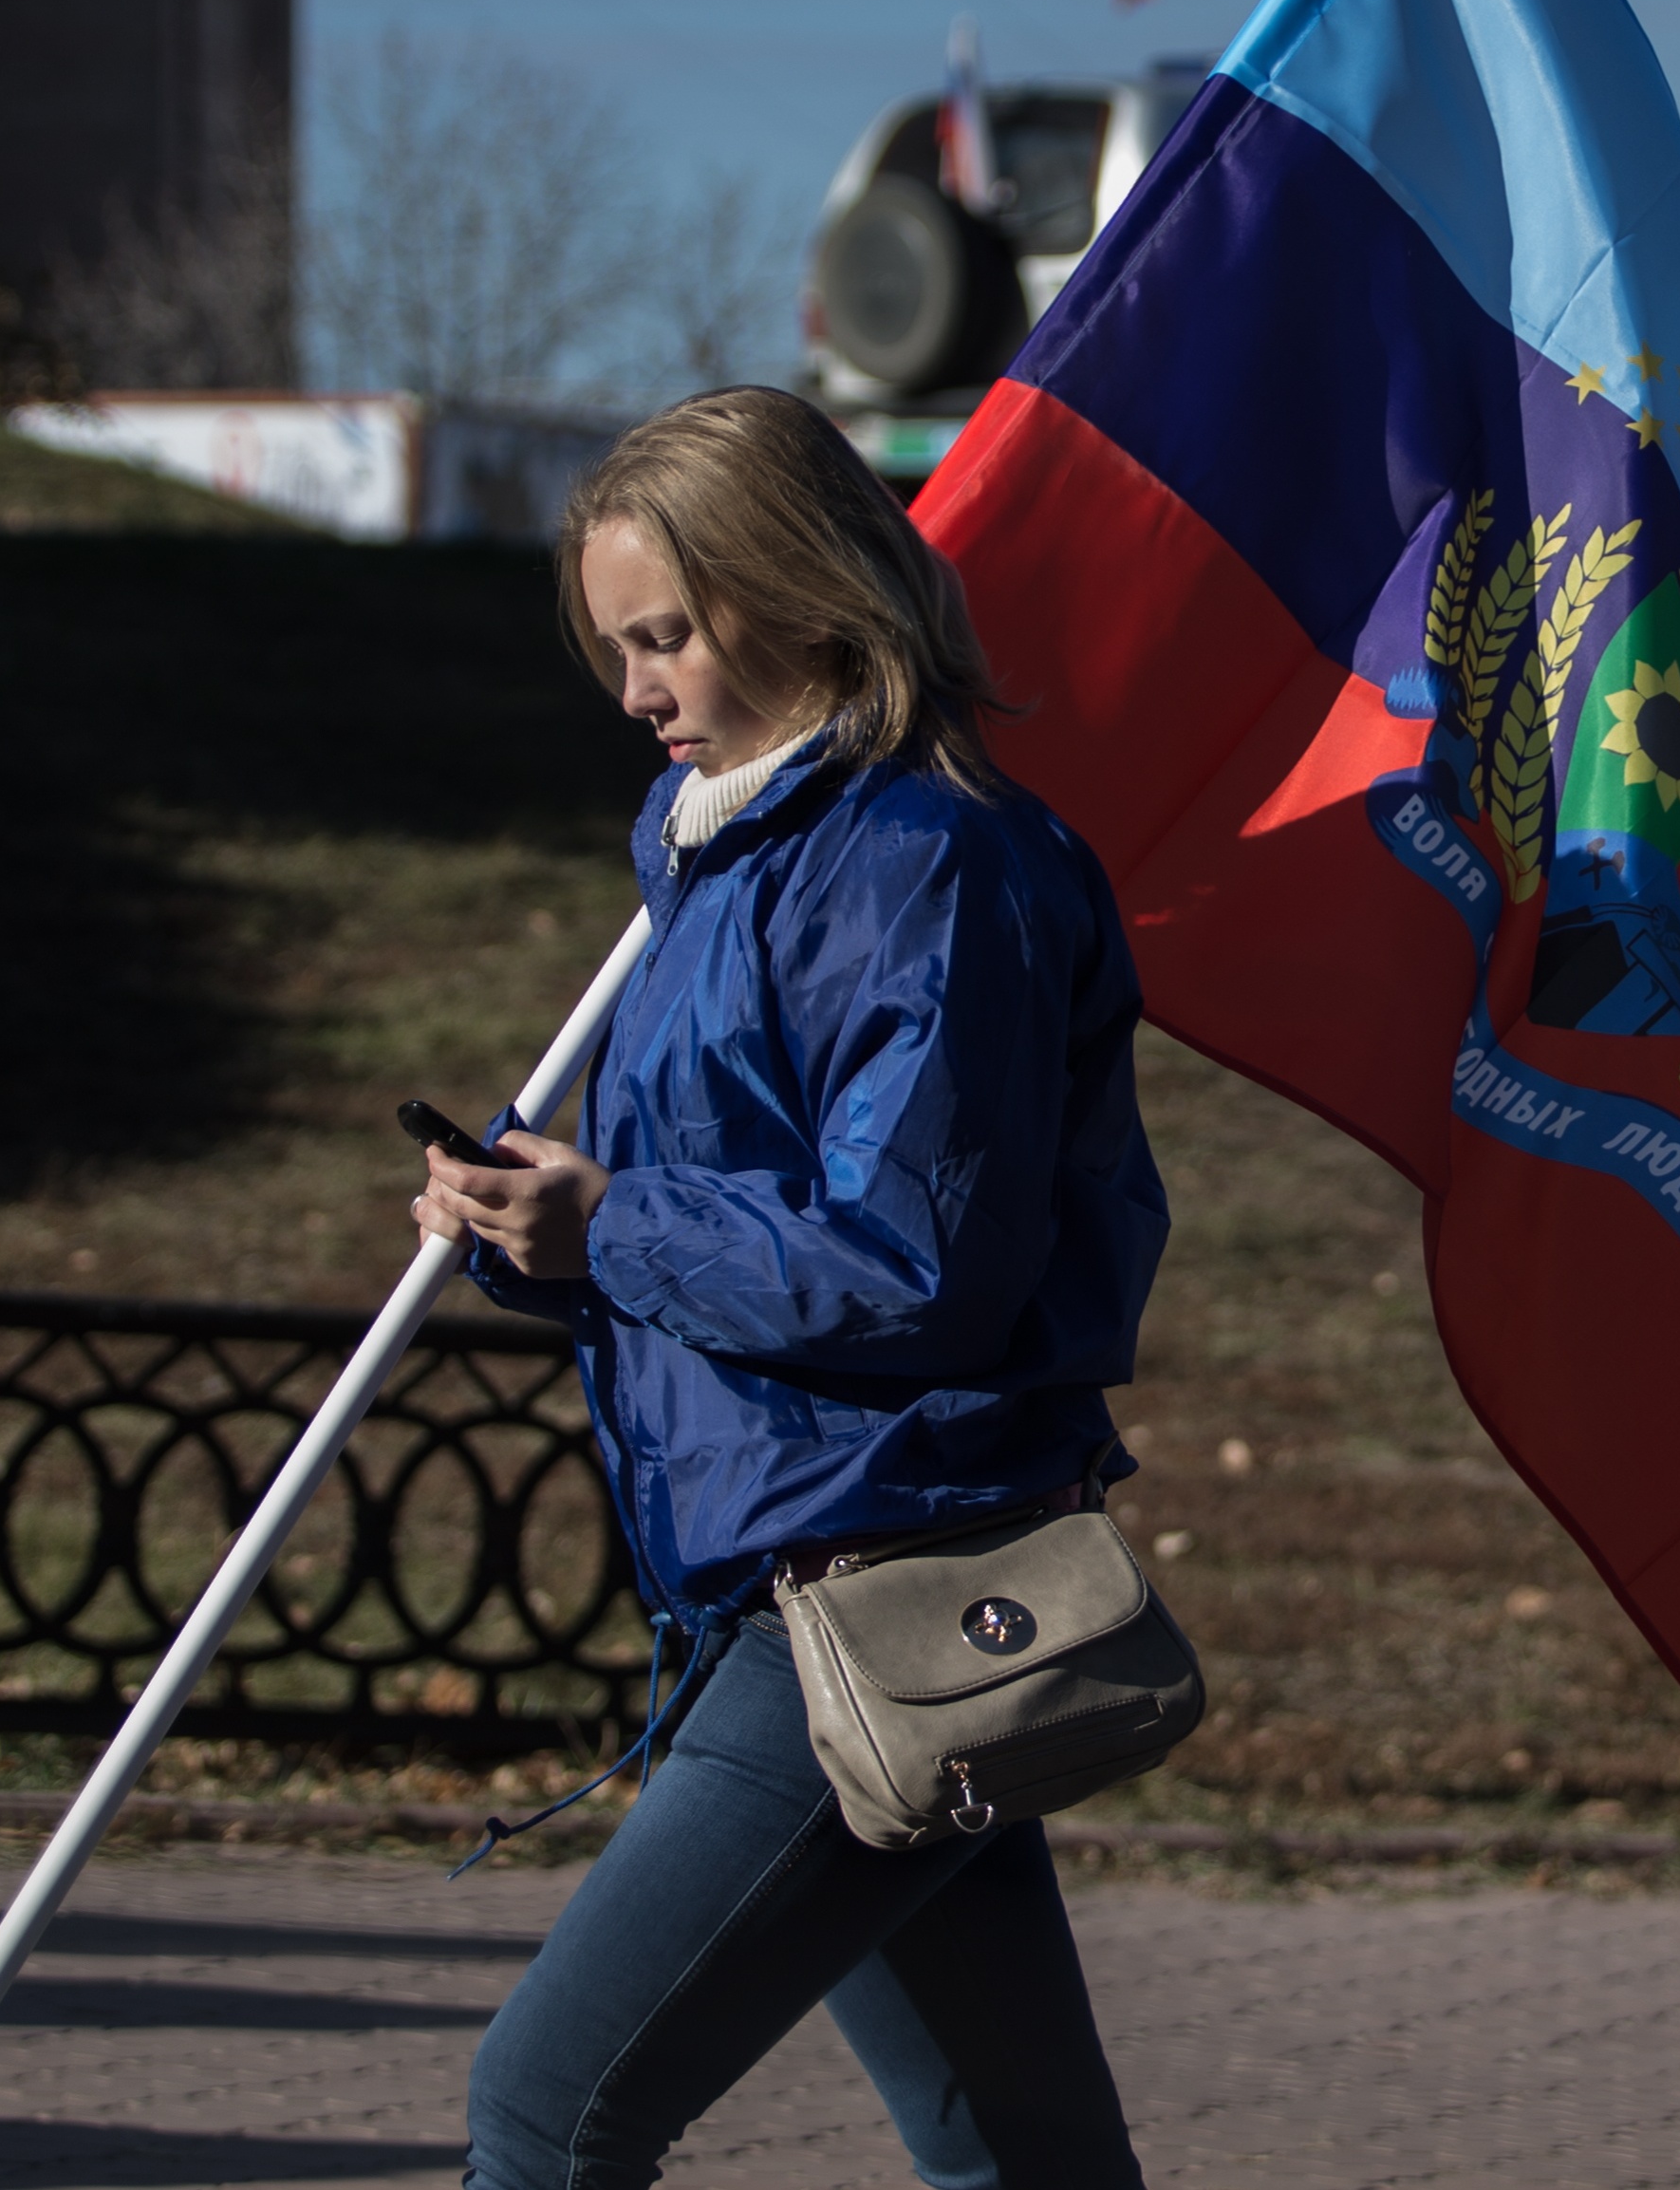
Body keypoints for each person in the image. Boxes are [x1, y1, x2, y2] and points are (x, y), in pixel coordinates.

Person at [420, 387, 1170, 2190]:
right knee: (1023, 2157)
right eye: (615, 647)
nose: (635, 689)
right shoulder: (715, 863)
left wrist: (612, 1228)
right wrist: (546, 1236)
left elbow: (916, 1269)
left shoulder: (932, 866)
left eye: (665, 635)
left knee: (547, 2108)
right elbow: (740, 1245)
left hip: (870, 1567)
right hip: (786, 1574)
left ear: (804, 591)